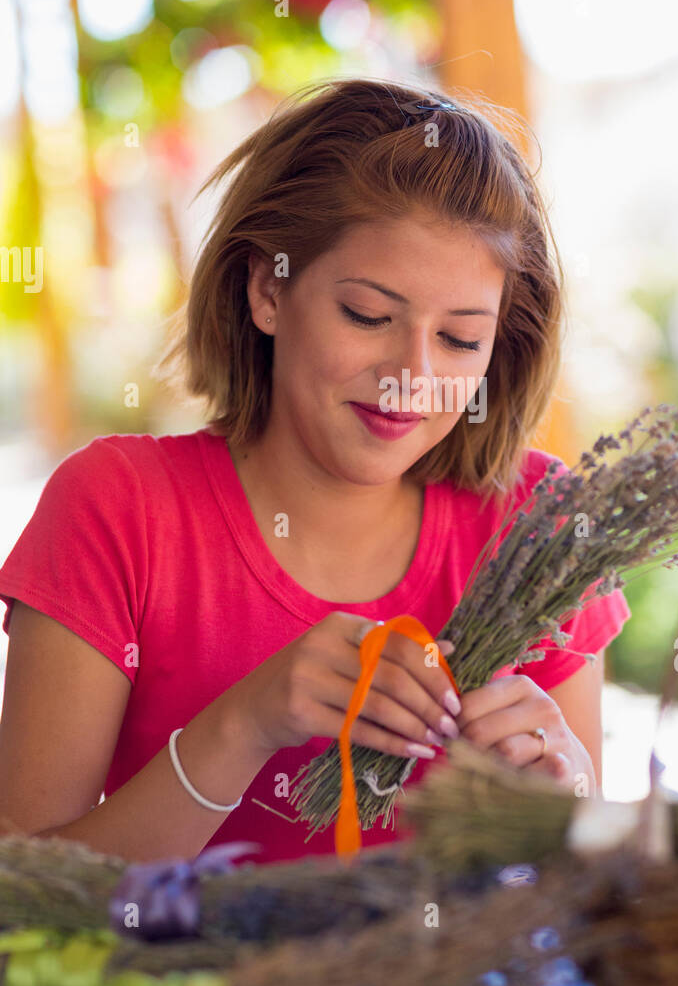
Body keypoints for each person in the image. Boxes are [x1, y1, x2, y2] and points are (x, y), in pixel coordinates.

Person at [0, 77, 630, 865]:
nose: (412, 373)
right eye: (369, 317)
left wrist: (568, 808)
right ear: (269, 289)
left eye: (461, 339)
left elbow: (591, 891)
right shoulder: (117, 509)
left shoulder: (541, 529)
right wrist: (244, 725)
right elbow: (20, 904)